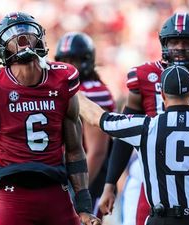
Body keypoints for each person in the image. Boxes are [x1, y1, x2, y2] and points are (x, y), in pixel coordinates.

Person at [0, 12, 101, 225]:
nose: (22, 39)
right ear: (2, 47)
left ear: (40, 38)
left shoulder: (61, 83)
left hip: (56, 190)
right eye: (13, 35)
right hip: (13, 193)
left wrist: (84, 207)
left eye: (27, 32)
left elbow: (75, 150)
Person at [96, 12, 189, 225]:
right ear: (164, 43)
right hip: (152, 173)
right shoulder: (144, 76)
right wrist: (110, 183)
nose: (181, 48)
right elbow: (125, 137)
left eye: (187, 41)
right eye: (175, 41)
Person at [83, 64, 189, 225]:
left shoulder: (146, 127)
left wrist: (71, 90)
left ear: (162, 95)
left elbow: (97, 117)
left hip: (163, 219)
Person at [54, 32, 115, 219]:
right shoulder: (70, 88)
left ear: (87, 60)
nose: (68, 66)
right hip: (71, 171)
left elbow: (97, 152)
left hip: (90, 174)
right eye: (64, 61)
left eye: (73, 60)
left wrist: (79, 192)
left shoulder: (93, 91)